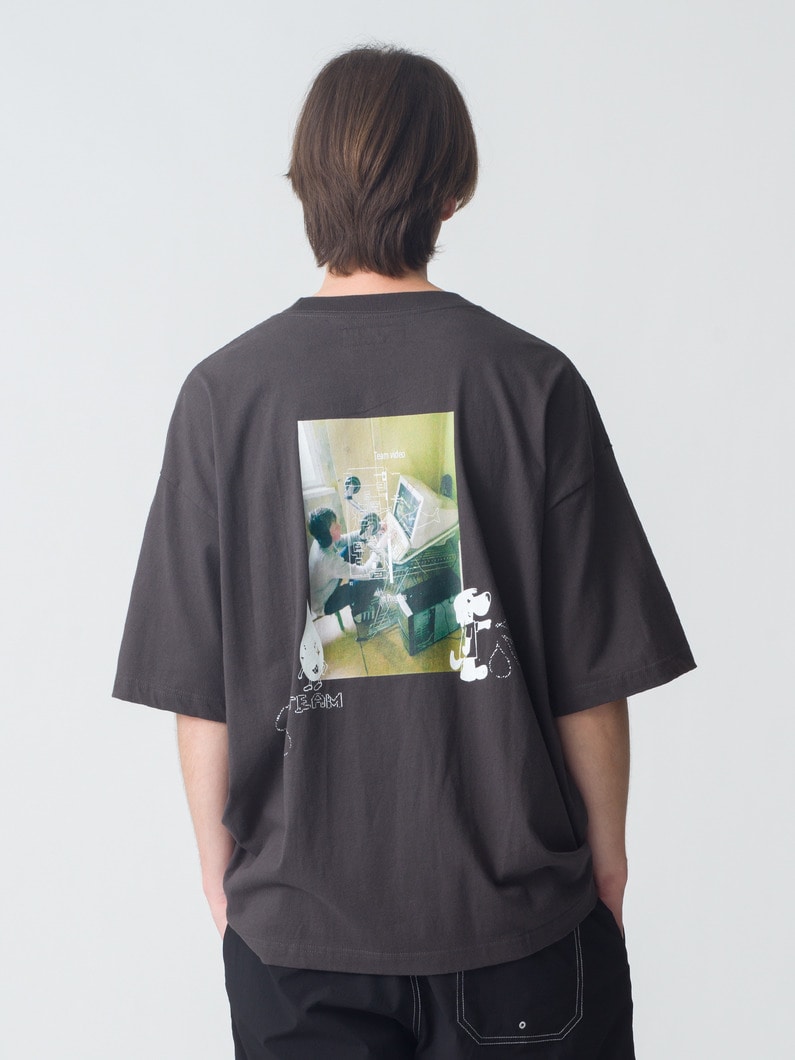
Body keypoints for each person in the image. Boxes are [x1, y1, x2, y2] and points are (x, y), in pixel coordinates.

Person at [112, 43, 696, 1059]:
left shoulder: (222, 397)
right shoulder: (533, 383)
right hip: (520, 927)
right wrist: (606, 863)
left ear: (305, 184)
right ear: (452, 190)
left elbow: (198, 693)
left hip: (298, 941)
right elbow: (591, 683)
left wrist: (222, 877)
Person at [306, 506, 383, 633]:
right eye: (335, 526)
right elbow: (366, 572)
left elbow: (346, 539)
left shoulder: (321, 541)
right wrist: (380, 546)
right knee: (374, 573)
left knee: (354, 546)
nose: (339, 525)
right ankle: (358, 613)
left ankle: (357, 589)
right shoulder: (327, 560)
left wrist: (371, 531)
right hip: (325, 603)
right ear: (327, 535)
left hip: (325, 585)